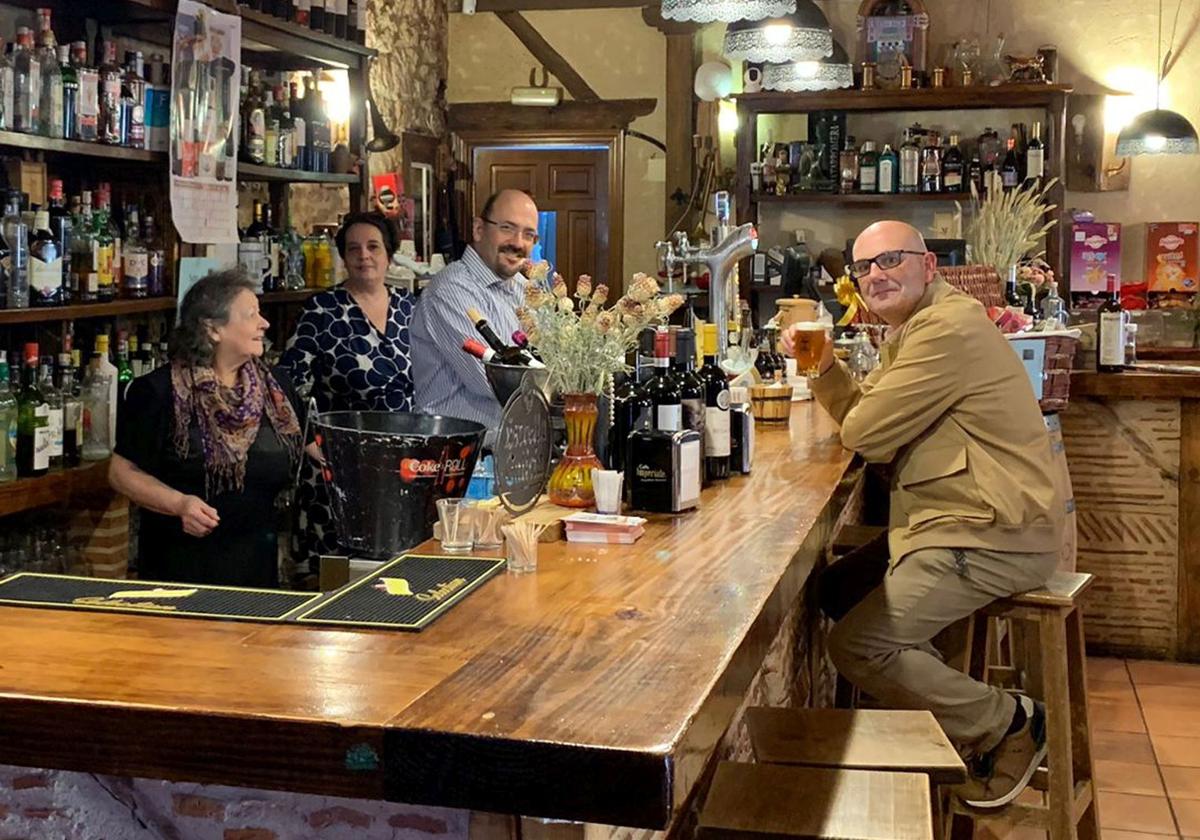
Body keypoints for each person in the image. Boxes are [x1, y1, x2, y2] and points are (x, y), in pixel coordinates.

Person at [783, 220, 1065, 810]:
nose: (875, 276)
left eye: (890, 261)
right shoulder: (913, 328)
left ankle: (1008, 724)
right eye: (863, 268)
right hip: (946, 519)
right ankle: (939, 722)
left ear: (928, 264)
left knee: (858, 648)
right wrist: (827, 365)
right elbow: (866, 414)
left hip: (991, 530)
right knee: (835, 590)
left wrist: (850, 400)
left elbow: (865, 432)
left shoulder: (946, 328)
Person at [110, 270, 305, 587]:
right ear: (212, 329)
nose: (264, 323)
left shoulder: (276, 390)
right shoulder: (160, 392)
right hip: (180, 571)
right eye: (250, 314)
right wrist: (179, 504)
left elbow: (311, 446)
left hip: (259, 570)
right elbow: (121, 472)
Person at [281, 211, 415, 577]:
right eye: (353, 248)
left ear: (389, 254)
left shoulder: (410, 308)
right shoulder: (321, 311)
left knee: (395, 582)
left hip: (400, 469)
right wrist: (308, 441)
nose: (364, 255)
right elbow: (285, 384)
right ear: (343, 256)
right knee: (337, 582)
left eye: (373, 247)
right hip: (338, 469)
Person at [410, 189, 539, 427]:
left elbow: (554, 356)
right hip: (457, 456)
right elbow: (498, 384)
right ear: (478, 229)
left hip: (510, 449)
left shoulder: (524, 289)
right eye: (507, 228)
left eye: (529, 234)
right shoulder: (450, 290)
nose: (518, 243)